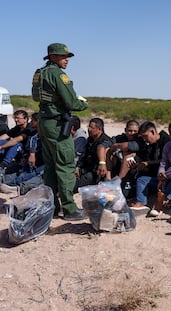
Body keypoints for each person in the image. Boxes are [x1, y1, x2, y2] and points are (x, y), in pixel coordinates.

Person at [32, 43, 88, 220]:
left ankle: (52, 206)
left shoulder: (39, 73)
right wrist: (83, 104)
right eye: (63, 57)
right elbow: (72, 102)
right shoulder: (58, 74)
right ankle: (70, 209)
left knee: (50, 167)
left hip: (45, 122)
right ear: (53, 57)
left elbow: (36, 96)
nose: (67, 60)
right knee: (65, 165)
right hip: (57, 125)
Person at [125, 121, 170, 209]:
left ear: (153, 132)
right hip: (155, 178)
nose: (145, 139)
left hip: (167, 179)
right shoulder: (150, 145)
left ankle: (141, 203)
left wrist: (147, 163)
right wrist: (138, 165)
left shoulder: (166, 142)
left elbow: (166, 161)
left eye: (145, 136)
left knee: (142, 180)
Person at [75, 118, 112, 190]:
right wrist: (78, 167)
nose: (89, 129)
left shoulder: (105, 141)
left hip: (96, 173)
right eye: (88, 127)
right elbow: (84, 155)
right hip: (86, 169)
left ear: (99, 129)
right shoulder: (90, 139)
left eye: (92, 128)